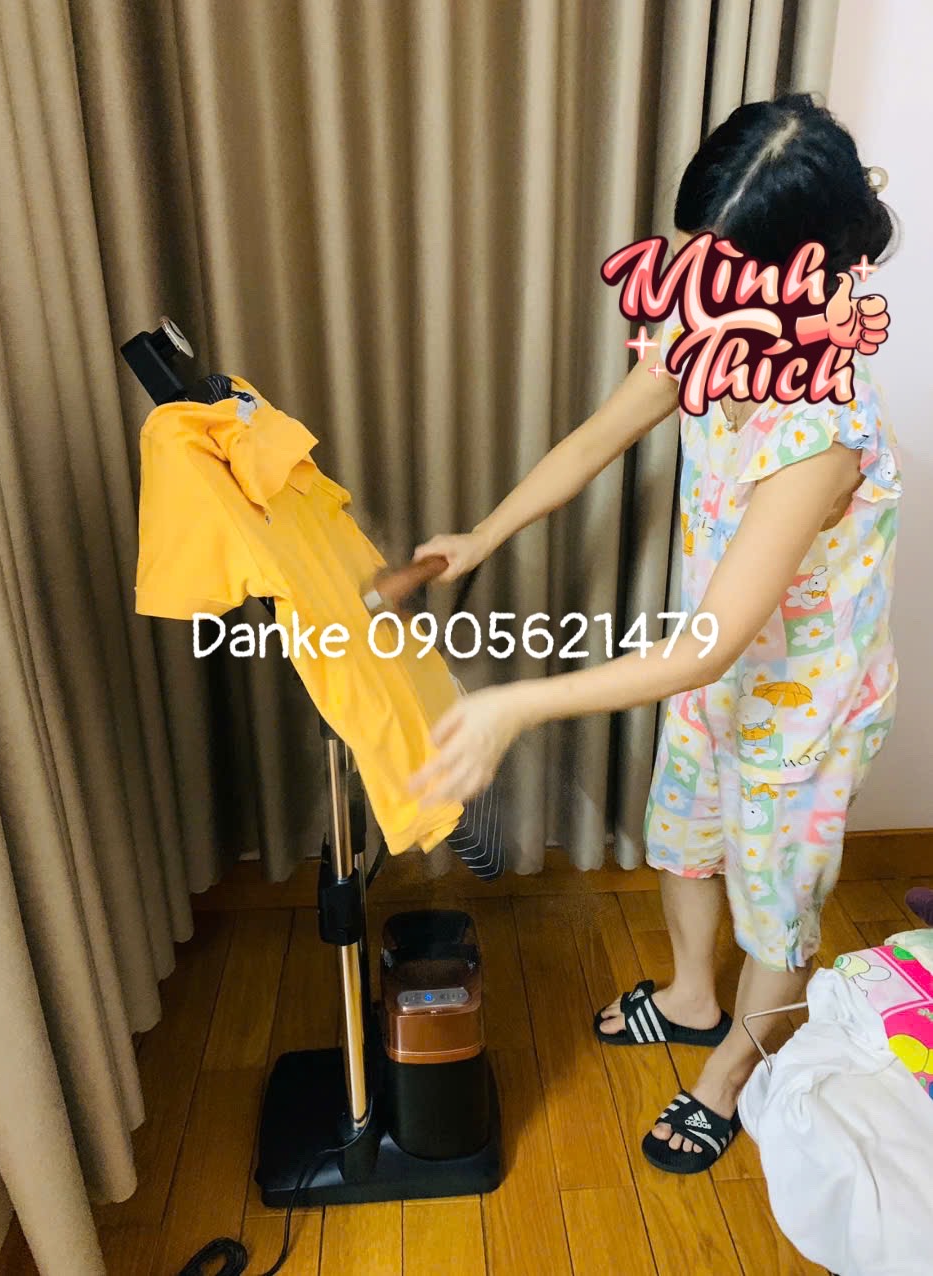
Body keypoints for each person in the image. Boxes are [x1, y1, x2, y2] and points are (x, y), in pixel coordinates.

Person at [408, 93, 902, 1175]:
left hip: (801, 717)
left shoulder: (824, 428)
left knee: (774, 911)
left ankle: (727, 1073)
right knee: (680, 836)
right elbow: (599, 436)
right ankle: (687, 996)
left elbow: (709, 644)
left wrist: (514, 705)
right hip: (709, 677)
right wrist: (482, 534)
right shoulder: (700, 330)